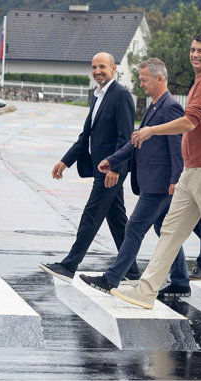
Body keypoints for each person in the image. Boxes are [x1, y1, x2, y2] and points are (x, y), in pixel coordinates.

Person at [112, 33, 201, 314]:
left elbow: (189, 122)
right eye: (192, 50)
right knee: (171, 231)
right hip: (193, 170)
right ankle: (146, 290)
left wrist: (151, 130)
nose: (195, 54)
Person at [77, 58, 193, 300]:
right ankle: (181, 281)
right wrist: (112, 160)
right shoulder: (153, 107)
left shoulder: (170, 107)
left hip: (160, 183)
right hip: (153, 181)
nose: (141, 84)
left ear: (159, 79)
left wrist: (175, 179)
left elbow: (177, 148)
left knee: (134, 228)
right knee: (165, 230)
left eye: (144, 80)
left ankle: (111, 278)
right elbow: (136, 142)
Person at [39, 52, 139, 283]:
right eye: (94, 67)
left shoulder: (121, 95)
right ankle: (131, 269)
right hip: (101, 169)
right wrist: (65, 161)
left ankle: (69, 265)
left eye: (102, 66)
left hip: (110, 172)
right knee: (117, 220)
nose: (97, 71)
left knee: (91, 215)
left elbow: (126, 138)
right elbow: (88, 135)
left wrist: (115, 167)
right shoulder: (98, 96)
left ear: (114, 69)